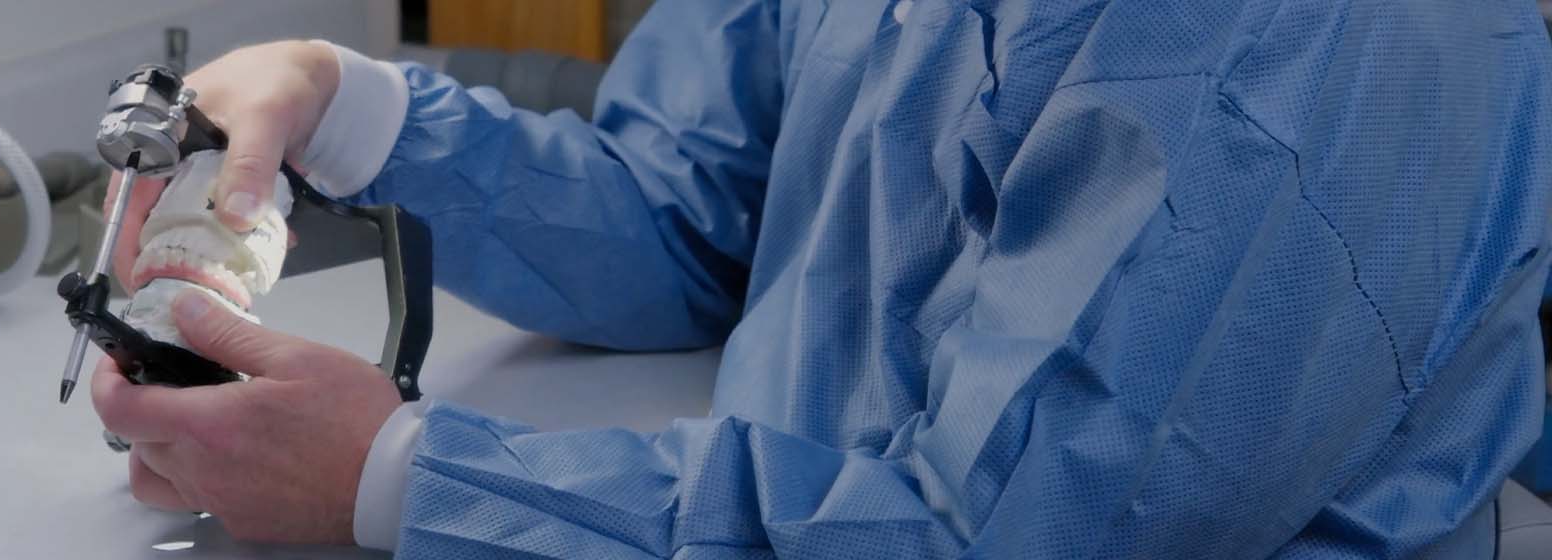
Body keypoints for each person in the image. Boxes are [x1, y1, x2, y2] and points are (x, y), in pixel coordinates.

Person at [91, 1, 1552, 556]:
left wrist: (407, 482)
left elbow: (1005, 539)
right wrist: (350, 105)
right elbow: (692, 217)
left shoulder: (1309, 38)